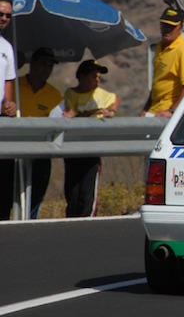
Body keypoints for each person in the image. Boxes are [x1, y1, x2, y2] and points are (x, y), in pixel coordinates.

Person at [63, 60, 120, 217]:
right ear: (82, 77)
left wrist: (112, 111)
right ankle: (71, 219)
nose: (97, 80)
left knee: (87, 193)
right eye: (93, 76)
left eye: (99, 77)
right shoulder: (71, 93)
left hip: (92, 148)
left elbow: (115, 99)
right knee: (72, 191)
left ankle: (87, 219)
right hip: (72, 148)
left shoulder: (101, 94)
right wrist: (90, 112)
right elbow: (71, 114)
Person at [16, 47, 63, 218]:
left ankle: (30, 224)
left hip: (40, 152)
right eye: (43, 63)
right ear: (32, 64)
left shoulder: (54, 95)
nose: (46, 69)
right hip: (12, 150)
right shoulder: (14, 86)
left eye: (50, 65)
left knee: (35, 195)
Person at [140, 7, 184, 117]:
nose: (167, 29)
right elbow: (157, 84)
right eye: (164, 25)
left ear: (180, 27)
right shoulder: (159, 47)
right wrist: (145, 109)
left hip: (167, 113)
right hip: (154, 111)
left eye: (172, 26)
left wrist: (171, 112)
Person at [0, 0, 18, 221]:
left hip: (1, 120)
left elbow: (9, 82)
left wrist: (10, 105)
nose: (4, 19)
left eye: (7, 16)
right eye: (0, 14)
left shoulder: (7, 48)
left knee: (4, 175)